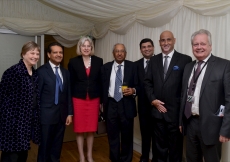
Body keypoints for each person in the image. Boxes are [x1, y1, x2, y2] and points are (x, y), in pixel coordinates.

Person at [179, 29, 230, 162]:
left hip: (212, 126)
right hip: (190, 123)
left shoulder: (224, 65)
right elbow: (183, 96)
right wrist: (181, 121)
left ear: (210, 45)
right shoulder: (188, 67)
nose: (199, 47)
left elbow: (229, 99)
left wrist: (226, 129)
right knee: (191, 159)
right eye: (196, 44)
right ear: (192, 47)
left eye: (203, 43)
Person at [144, 31, 192, 162]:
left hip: (175, 114)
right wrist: (153, 100)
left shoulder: (185, 60)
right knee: (159, 148)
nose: (165, 43)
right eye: (163, 40)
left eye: (168, 40)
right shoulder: (153, 60)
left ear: (174, 40)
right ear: (159, 42)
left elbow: (187, 87)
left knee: (175, 148)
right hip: (157, 112)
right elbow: (147, 82)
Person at [0, 41, 40, 162]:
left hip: (27, 123)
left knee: (23, 154)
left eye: (37, 53)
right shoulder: (12, 72)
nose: (35, 56)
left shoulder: (35, 74)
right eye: (32, 53)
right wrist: (7, 120)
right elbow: (2, 97)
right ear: (23, 54)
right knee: (11, 156)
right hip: (12, 124)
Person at [101, 43, 139, 162]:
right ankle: (114, 158)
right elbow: (101, 86)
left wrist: (133, 90)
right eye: (117, 51)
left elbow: (140, 85)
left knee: (127, 135)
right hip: (111, 104)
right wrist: (101, 103)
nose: (119, 53)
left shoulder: (133, 66)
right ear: (113, 53)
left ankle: (126, 159)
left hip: (126, 103)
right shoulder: (105, 67)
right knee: (112, 135)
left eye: (122, 51)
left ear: (125, 53)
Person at [68, 36, 103, 162]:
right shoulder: (73, 62)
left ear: (91, 47)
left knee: (91, 129)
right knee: (80, 129)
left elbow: (101, 82)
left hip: (94, 99)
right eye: (84, 46)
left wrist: (102, 102)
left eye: (89, 46)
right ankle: (82, 157)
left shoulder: (99, 61)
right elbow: (70, 83)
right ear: (80, 47)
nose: (86, 48)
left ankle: (89, 155)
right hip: (78, 99)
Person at [37, 42, 73, 162]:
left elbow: (68, 94)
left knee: (57, 147)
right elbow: (37, 96)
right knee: (45, 148)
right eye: (55, 52)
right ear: (49, 54)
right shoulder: (41, 71)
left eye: (60, 52)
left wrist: (69, 113)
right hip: (46, 116)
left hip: (61, 116)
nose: (58, 55)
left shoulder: (66, 73)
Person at [135, 38, 157, 162]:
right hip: (143, 106)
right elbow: (135, 85)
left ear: (153, 48)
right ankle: (144, 157)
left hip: (157, 105)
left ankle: (155, 158)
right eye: (144, 47)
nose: (147, 49)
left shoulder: (160, 62)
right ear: (141, 50)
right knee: (145, 134)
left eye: (149, 46)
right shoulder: (136, 64)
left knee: (157, 135)